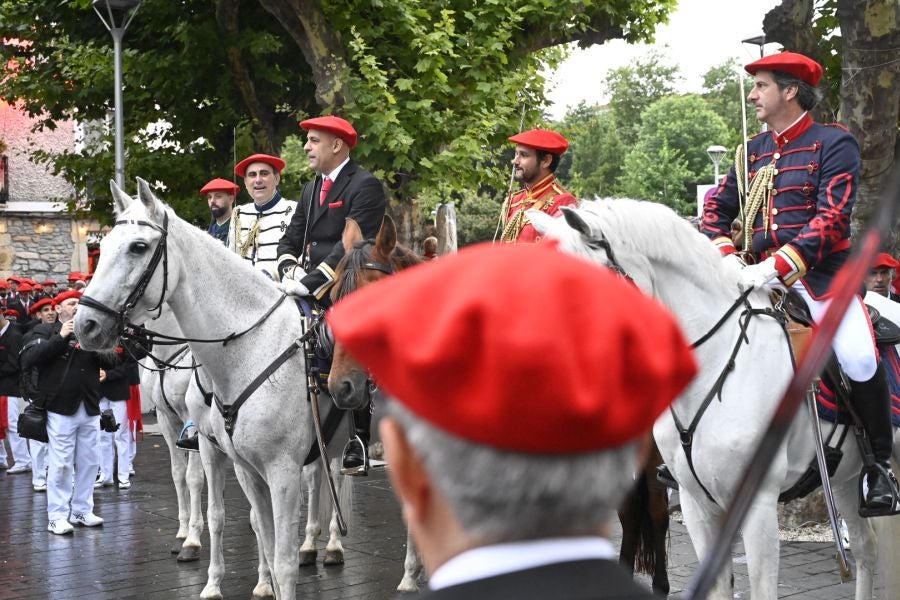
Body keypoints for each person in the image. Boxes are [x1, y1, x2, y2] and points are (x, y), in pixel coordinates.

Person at [326, 242, 697, 598]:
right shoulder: (516, 204)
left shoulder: (558, 208)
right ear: (634, 452)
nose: (515, 170)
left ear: (408, 471)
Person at [700, 51, 898, 516]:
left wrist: (776, 268)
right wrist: (728, 256)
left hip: (821, 279)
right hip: (751, 275)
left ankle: (879, 468)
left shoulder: (835, 142)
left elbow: (832, 220)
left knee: (858, 356)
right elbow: (716, 211)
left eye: (762, 86)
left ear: (790, 90)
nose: (753, 95)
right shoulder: (749, 151)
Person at [276, 115, 387, 475]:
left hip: (350, 281)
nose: (306, 147)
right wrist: (287, 268)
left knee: (347, 338)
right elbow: (291, 237)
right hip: (307, 281)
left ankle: (358, 439)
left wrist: (309, 282)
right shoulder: (311, 188)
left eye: (313, 140)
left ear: (336, 145)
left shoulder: (365, 185)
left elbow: (356, 247)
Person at [20, 290, 141, 534]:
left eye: (79, 303)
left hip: (89, 406)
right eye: (72, 303)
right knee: (61, 463)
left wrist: (98, 343)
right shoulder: (45, 331)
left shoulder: (90, 334)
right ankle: (56, 515)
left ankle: (82, 510)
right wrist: (62, 336)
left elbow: (113, 362)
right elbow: (30, 359)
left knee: (89, 462)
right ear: (59, 309)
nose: (76, 307)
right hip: (59, 408)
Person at [498, 128, 577, 243]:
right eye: (516, 154)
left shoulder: (563, 202)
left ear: (546, 161)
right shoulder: (514, 200)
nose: (514, 161)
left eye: (523, 155)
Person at [228, 153, 297, 279]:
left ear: (276, 179)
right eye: (252, 175)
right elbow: (231, 258)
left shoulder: (294, 210)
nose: (258, 180)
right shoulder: (238, 213)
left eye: (264, 173)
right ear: (245, 182)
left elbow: (300, 258)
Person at [25, 297, 56, 492]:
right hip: (38, 392)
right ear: (38, 315)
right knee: (37, 438)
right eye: (46, 310)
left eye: (52, 309)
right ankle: (39, 477)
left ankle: (55, 474)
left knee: (58, 439)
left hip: (58, 392)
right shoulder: (31, 336)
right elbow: (27, 366)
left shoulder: (65, 331)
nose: (50, 312)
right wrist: (32, 391)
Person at [0, 307, 29, 475]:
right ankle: (2, 458)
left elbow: (14, 364)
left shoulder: (15, 335)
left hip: (11, 388)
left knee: (12, 424)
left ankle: (23, 460)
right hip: (3, 386)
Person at [201, 177, 239, 245]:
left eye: (218, 196)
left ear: (231, 199)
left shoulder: (240, 229)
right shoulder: (208, 232)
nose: (212, 201)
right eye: (209, 197)